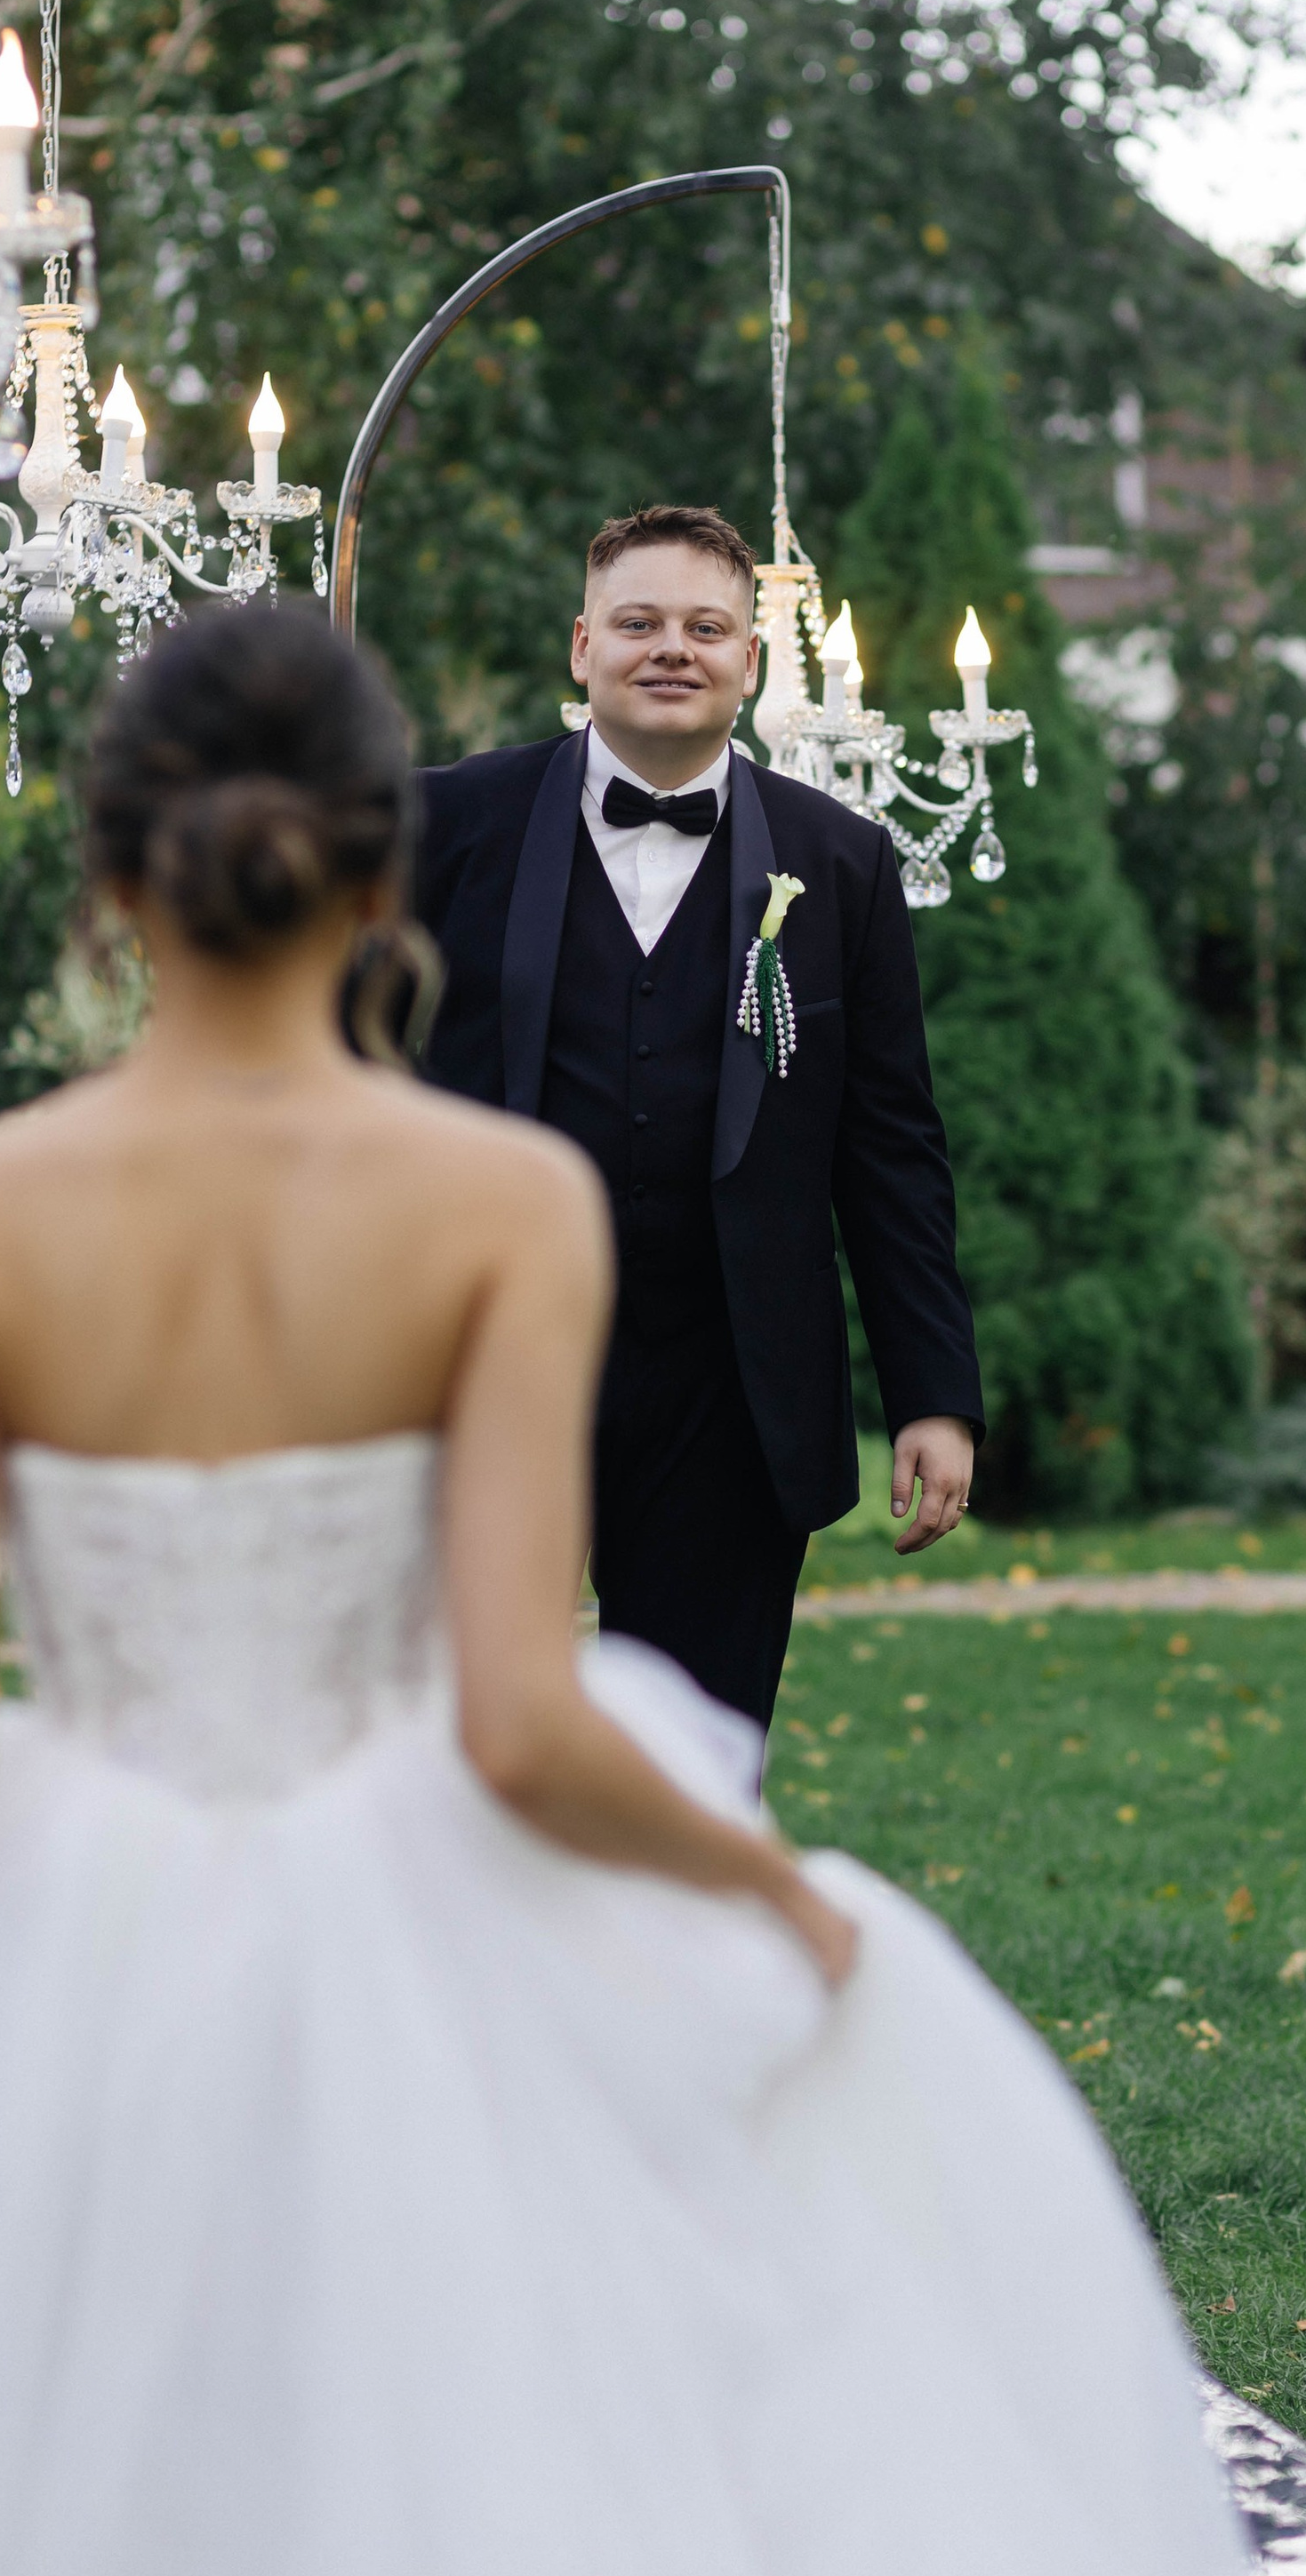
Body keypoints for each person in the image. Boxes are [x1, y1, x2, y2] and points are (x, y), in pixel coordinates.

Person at [0, 600, 1250, 2576]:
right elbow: (519, 1721)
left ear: (107, 877)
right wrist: (772, 1896)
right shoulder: (492, 1204)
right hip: (426, 1938)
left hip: (68, 1947)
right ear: (384, 871)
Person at [417, 504, 980, 1734]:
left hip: (732, 1385)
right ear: (582, 648)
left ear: (751, 662)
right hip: (486, 1360)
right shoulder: (441, 829)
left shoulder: (842, 863)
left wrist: (932, 1391)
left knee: (699, 1762)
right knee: (461, 1748)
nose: (673, 648)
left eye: (706, 627)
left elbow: (889, 1149)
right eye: (639, 623)